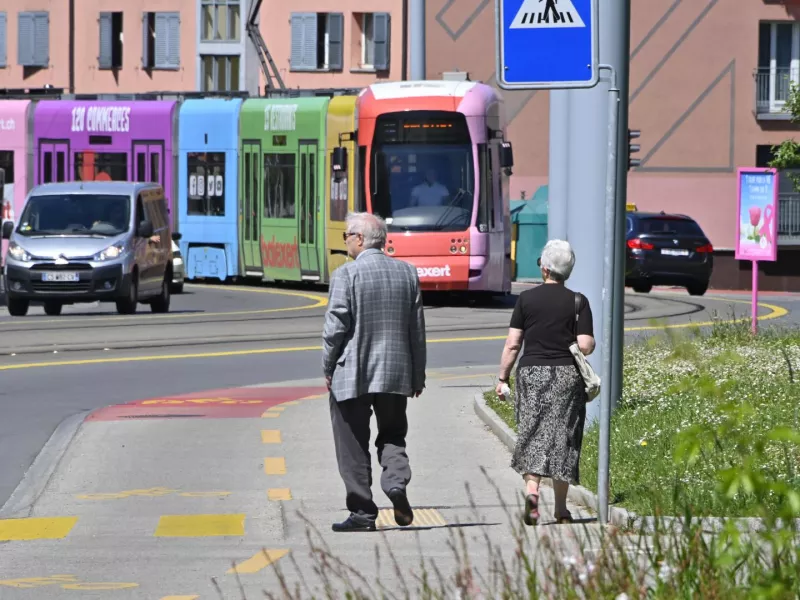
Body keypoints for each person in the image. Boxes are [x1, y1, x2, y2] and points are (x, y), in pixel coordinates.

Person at [322, 212, 427, 532]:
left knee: (352, 442)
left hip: (352, 373)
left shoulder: (346, 275)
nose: (345, 242)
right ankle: (395, 484)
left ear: (359, 239)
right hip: (396, 373)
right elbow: (416, 331)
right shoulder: (407, 273)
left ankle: (363, 513)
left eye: (346, 236)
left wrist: (328, 366)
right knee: (393, 434)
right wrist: (417, 375)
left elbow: (335, 329)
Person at [495, 239, 595, 526]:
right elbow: (585, 346)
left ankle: (532, 492)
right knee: (564, 436)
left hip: (531, 374)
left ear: (545, 269)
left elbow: (513, 344)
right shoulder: (579, 301)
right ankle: (562, 509)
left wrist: (502, 378)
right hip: (567, 375)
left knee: (532, 431)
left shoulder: (526, 299)